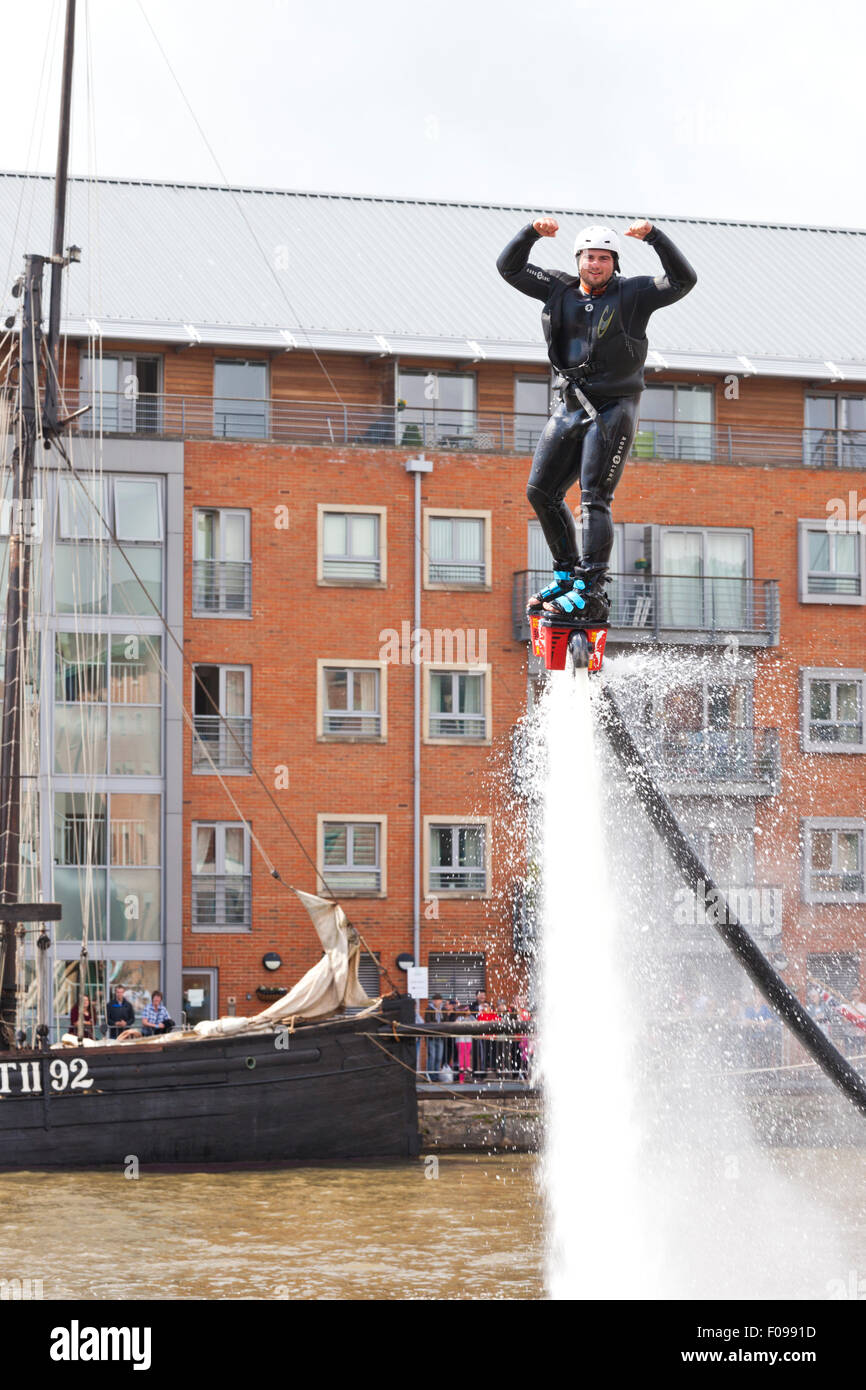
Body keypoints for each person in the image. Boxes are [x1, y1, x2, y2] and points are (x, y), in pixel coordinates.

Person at [497, 215, 697, 625]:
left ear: (615, 262)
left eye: (604, 258)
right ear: (578, 259)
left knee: (593, 499)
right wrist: (531, 233)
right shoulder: (558, 288)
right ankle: (567, 575)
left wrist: (656, 238)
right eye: (590, 256)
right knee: (541, 492)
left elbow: (683, 281)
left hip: (613, 409)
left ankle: (590, 589)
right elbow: (510, 268)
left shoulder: (634, 294)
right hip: (570, 405)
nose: (596, 264)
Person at [424, 993, 447, 1080]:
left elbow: (446, 1021)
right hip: (431, 1036)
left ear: (441, 1001)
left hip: (440, 1037)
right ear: (433, 1001)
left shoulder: (443, 1009)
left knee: (439, 1056)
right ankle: (430, 1075)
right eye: (435, 1000)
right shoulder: (429, 1009)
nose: (437, 1002)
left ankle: (436, 1075)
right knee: (432, 1056)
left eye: (438, 1000)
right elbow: (428, 1021)